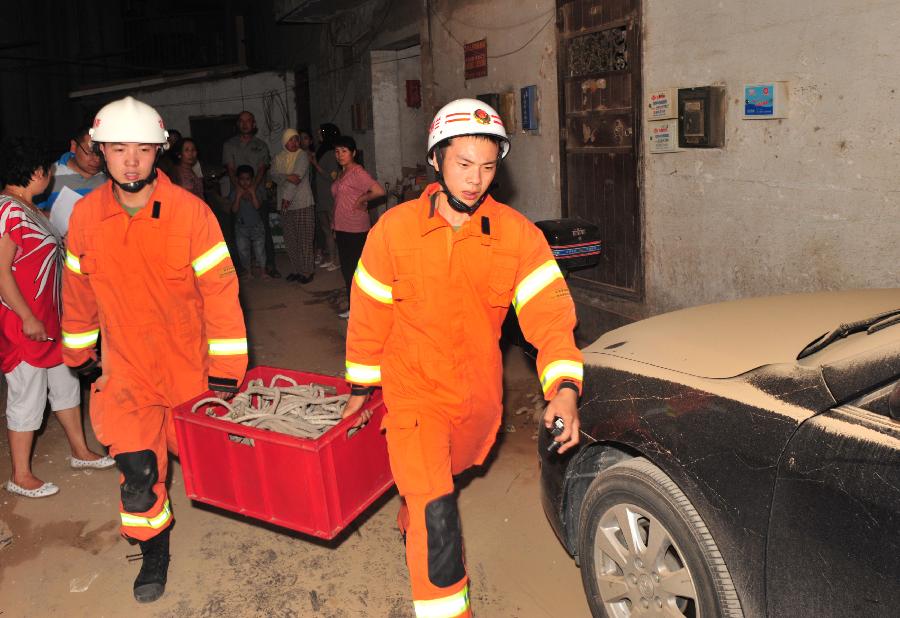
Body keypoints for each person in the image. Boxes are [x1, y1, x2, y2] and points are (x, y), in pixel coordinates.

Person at [341, 98, 583, 618]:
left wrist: (563, 386)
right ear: (436, 160)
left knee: (434, 488)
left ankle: (416, 507)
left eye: (489, 166)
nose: (476, 180)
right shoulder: (394, 231)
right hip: (411, 393)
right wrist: (361, 390)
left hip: (474, 400)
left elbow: (550, 319)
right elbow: (368, 315)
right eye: (463, 164)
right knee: (438, 514)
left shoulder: (518, 236)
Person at [61, 96, 247, 603]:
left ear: (158, 152)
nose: (130, 160)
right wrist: (78, 355)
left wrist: (227, 369)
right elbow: (77, 294)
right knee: (138, 475)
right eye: (117, 149)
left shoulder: (192, 215)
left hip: (188, 371)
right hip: (127, 374)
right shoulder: (84, 218)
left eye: (142, 149)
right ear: (100, 152)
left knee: (220, 466)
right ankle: (152, 551)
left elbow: (221, 294)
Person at [0, 137, 114, 499]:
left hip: (51, 319)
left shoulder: (31, 209)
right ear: (37, 172)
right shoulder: (7, 210)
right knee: (27, 395)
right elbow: (1, 272)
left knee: (64, 387)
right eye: (48, 170)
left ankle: (80, 451)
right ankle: (20, 475)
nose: (50, 176)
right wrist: (27, 317)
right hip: (25, 324)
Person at [330, 136, 385, 318]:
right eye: (337, 152)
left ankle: (363, 312)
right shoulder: (343, 172)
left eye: (344, 151)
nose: (340, 155)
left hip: (355, 228)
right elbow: (339, 200)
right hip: (342, 227)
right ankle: (354, 308)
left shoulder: (357, 172)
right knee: (347, 270)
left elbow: (378, 191)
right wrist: (334, 223)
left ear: (353, 153)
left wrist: (362, 199)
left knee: (357, 271)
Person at [222, 111, 279, 277]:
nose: (245, 124)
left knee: (263, 232)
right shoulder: (229, 145)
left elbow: (262, 168)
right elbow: (230, 168)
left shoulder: (261, 145)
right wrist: (239, 188)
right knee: (237, 233)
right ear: (238, 124)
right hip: (236, 194)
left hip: (258, 193)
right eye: (241, 121)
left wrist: (252, 188)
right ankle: (241, 268)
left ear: (254, 124)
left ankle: (269, 266)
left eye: (248, 121)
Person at [35, 126, 107, 234]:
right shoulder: (48, 175)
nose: (97, 159)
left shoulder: (111, 178)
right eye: (90, 152)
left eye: (101, 153)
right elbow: (30, 214)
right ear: (74, 146)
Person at [271, 128, 319, 283]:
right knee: (291, 240)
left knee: (305, 239)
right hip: (285, 206)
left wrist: (286, 197)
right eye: (290, 140)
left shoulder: (303, 156)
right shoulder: (278, 158)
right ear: (284, 141)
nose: (294, 143)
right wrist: (286, 176)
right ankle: (297, 270)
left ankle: (307, 272)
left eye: (296, 139)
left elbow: (297, 179)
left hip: (302, 203)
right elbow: (273, 176)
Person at [231, 165, 267, 279]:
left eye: (248, 179)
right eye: (242, 179)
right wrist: (238, 196)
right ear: (237, 180)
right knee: (243, 251)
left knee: (260, 250)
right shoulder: (234, 192)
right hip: (241, 228)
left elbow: (257, 206)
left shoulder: (257, 190)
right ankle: (248, 272)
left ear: (252, 179)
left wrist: (252, 193)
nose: (245, 182)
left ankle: (263, 271)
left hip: (257, 226)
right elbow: (234, 210)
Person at [313, 123, 341, 271]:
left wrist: (315, 164)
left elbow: (332, 177)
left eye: (320, 133)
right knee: (325, 230)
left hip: (329, 196)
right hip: (321, 195)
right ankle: (331, 257)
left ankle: (337, 260)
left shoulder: (331, 153)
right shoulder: (321, 150)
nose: (318, 135)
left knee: (333, 229)